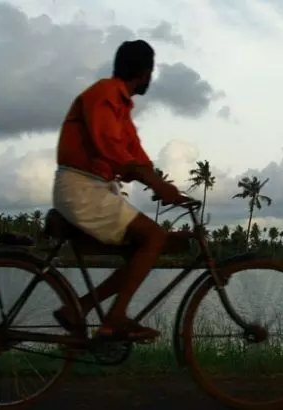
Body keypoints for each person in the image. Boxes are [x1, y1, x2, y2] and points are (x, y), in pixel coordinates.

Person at [51, 39, 189, 342]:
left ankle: (81, 308)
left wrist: (166, 188)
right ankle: (113, 320)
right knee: (153, 237)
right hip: (81, 187)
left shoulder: (121, 105)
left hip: (95, 187)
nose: (150, 77)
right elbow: (109, 145)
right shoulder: (105, 94)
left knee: (147, 247)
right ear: (143, 71)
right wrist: (155, 183)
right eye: (150, 70)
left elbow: (134, 153)